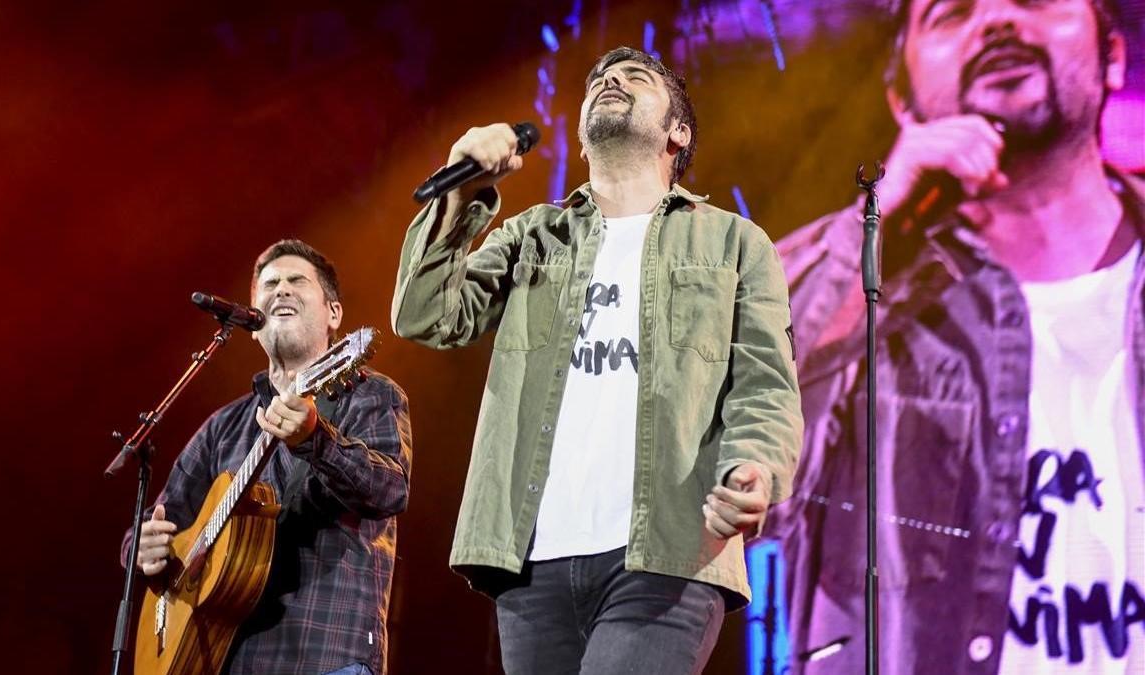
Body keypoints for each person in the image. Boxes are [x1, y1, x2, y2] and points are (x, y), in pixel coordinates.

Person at [391, 46, 803, 674]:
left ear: (678, 131)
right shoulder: (533, 235)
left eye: (634, 78)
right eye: (598, 82)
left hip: (668, 553)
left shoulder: (733, 242)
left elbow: (765, 385)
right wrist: (462, 189)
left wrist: (754, 466)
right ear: (580, 141)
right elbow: (424, 313)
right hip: (532, 561)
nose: (610, 81)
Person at [770, 0, 1143, 672]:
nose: (997, 20)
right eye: (951, 12)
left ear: (1114, 57)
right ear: (903, 103)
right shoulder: (850, 292)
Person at [125, 239, 413, 675]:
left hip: (325, 654)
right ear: (254, 324)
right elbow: (161, 518)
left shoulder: (370, 394)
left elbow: (391, 490)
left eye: (297, 281)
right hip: (223, 658)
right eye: (270, 284)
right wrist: (140, 549)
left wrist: (316, 438)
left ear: (334, 313)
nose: (281, 290)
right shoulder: (224, 425)